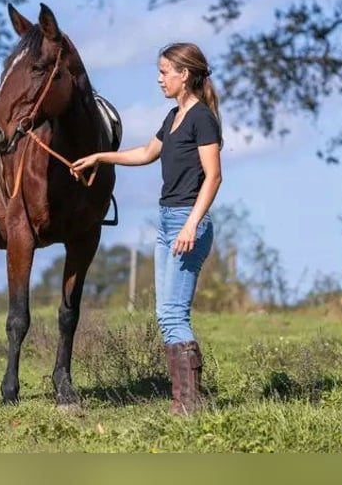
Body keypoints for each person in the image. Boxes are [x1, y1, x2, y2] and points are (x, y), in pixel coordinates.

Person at [70, 42, 222, 415]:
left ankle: (188, 404)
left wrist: (191, 224)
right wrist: (99, 156)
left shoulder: (202, 118)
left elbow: (214, 177)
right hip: (167, 219)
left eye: (164, 72)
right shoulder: (173, 117)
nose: (159, 79)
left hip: (188, 221)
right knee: (165, 312)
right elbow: (144, 153)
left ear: (184, 74)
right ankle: (186, 401)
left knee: (173, 314)